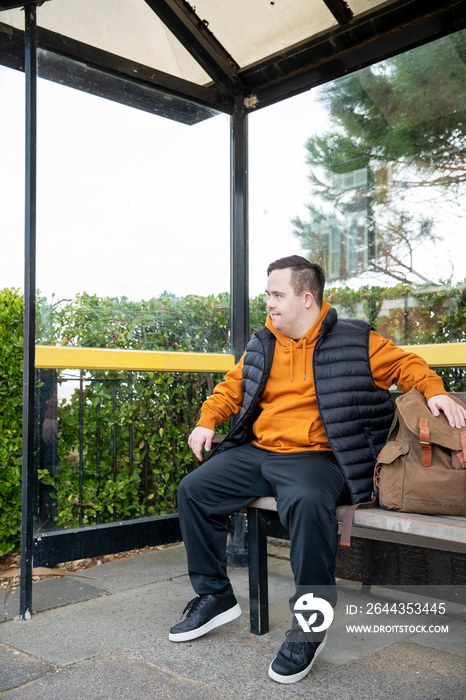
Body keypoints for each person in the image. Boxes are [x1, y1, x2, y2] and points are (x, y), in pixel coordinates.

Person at [168, 255, 466, 684]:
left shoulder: (356, 339)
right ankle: (214, 595)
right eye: (267, 293)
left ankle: (311, 623)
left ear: (307, 298)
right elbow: (233, 385)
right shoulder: (263, 341)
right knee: (195, 489)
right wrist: (206, 419)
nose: (268, 303)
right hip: (261, 450)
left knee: (308, 503)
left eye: (276, 295)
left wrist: (435, 391)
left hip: (322, 456)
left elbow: (406, 365)